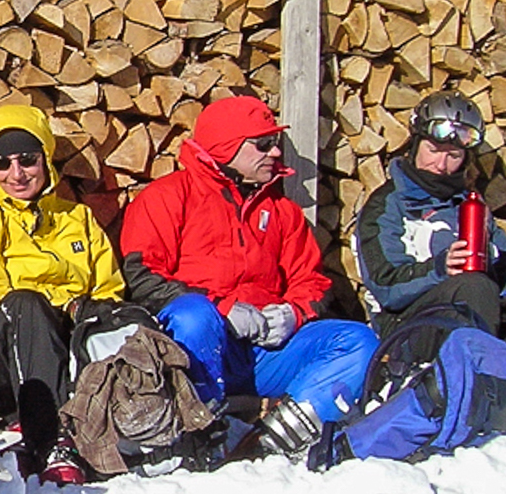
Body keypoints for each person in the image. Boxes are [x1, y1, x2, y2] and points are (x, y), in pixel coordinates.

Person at [118, 95, 376, 458]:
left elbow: (312, 280)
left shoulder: (282, 211)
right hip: (195, 347)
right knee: (194, 315)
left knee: (358, 340)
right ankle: (196, 430)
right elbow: (143, 277)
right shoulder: (167, 197)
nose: (275, 153)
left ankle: (280, 436)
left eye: (275, 143)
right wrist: (221, 310)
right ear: (226, 147)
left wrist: (293, 314)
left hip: (265, 351)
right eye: (263, 144)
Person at [0, 103, 126, 484]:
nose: (17, 174)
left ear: (45, 158)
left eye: (27, 159)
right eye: (2, 164)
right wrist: (59, 308)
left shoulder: (77, 219)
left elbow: (109, 289)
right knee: (25, 304)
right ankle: (48, 438)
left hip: (69, 347)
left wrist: (85, 313)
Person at [354, 92, 506, 333]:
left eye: (453, 156)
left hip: (476, 317)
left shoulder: (471, 207)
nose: (441, 165)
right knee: (474, 287)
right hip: (407, 327)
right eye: (433, 150)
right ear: (415, 145)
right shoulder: (387, 205)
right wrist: (439, 269)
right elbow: (386, 286)